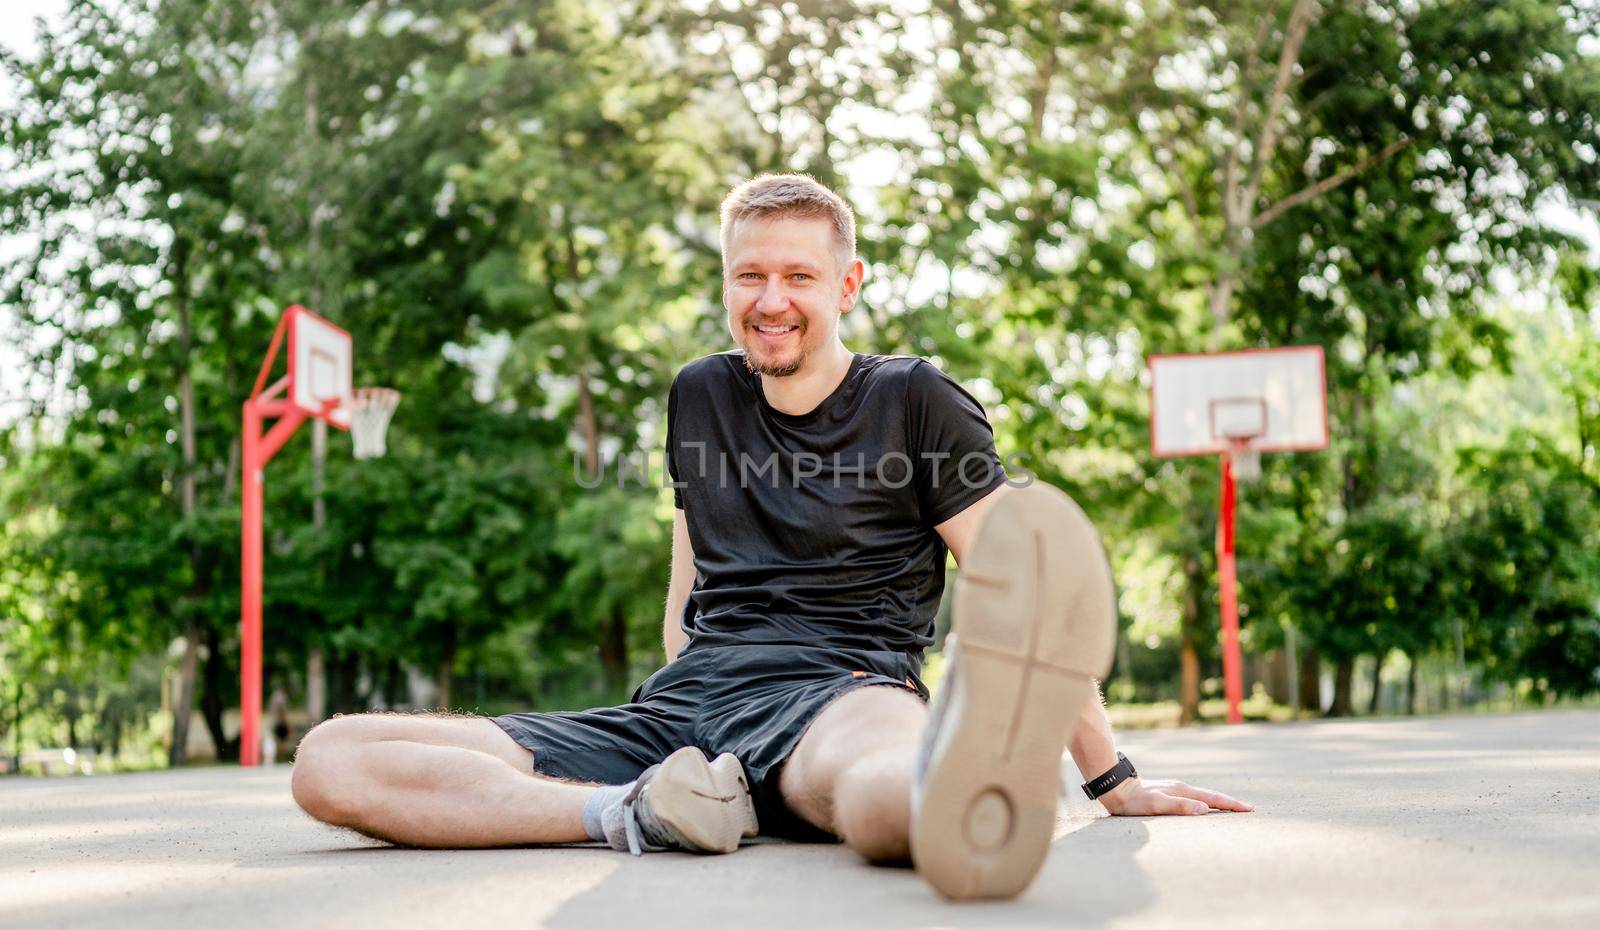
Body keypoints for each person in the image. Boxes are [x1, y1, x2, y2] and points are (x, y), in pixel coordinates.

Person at [290, 173, 1250, 900]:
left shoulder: (916, 399)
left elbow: (1017, 583)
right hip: (690, 717)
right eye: (749, 275)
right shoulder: (698, 392)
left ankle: (966, 792)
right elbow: (690, 576)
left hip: (843, 686)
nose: (771, 299)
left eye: (798, 275)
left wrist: (1110, 777)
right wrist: (672, 740)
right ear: (725, 282)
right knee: (332, 760)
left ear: (849, 283)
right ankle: (640, 817)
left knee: (880, 782)